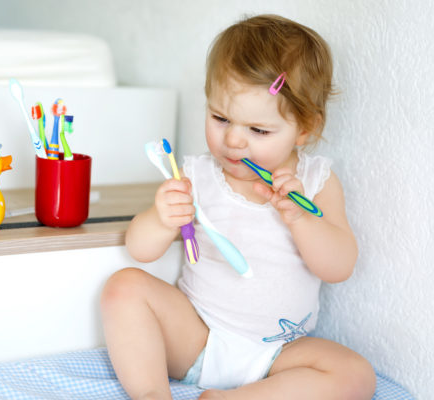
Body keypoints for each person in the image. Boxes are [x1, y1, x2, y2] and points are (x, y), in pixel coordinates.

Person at [101, 14, 376, 400]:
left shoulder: (317, 184)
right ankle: (152, 394)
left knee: (355, 375)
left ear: (305, 128)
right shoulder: (197, 174)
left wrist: (298, 218)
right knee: (122, 288)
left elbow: (339, 267)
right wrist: (161, 219)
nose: (233, 140)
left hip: (279, 353)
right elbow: (140, 249)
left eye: (258, 130)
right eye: (220, 118)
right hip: (198, 335)